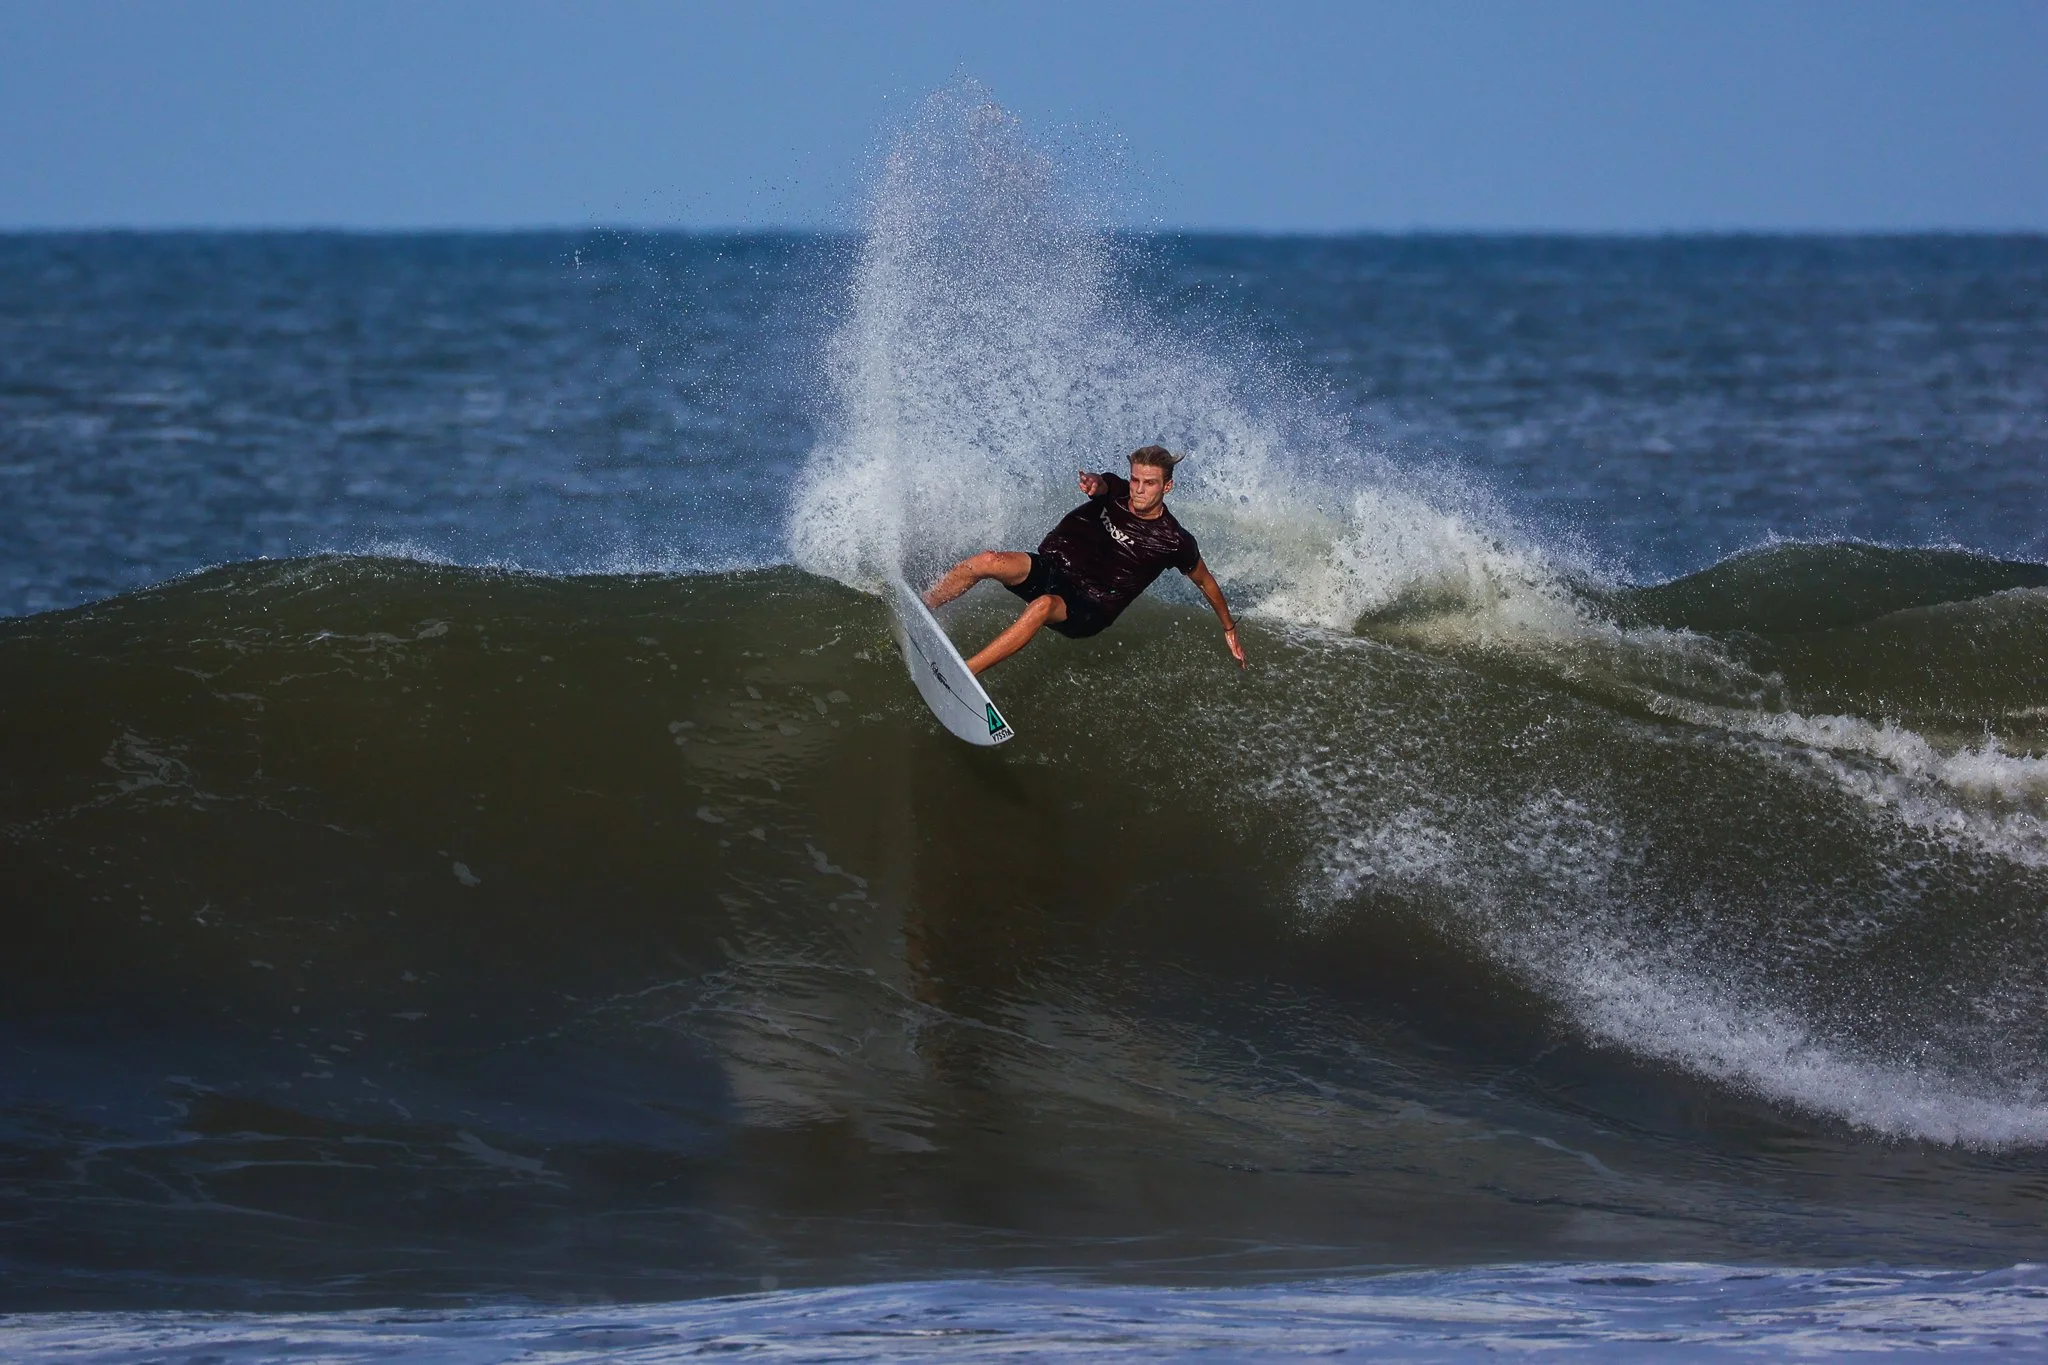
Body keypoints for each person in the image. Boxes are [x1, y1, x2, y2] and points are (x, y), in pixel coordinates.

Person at [923, 445, 1248, 675]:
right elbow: (1102, 483)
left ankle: (966, 671)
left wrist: (1229, 628)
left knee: (1042, 606)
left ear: (1168, 486)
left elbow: (1206, 582)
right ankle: (925, 605)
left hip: (1090, 608)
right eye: (1136, 480)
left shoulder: (1174, 540)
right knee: (989, 560)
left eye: (1149, 483)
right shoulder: (1116, 490)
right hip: (1056, 569)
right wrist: (1094, 482)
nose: (1138, 489)